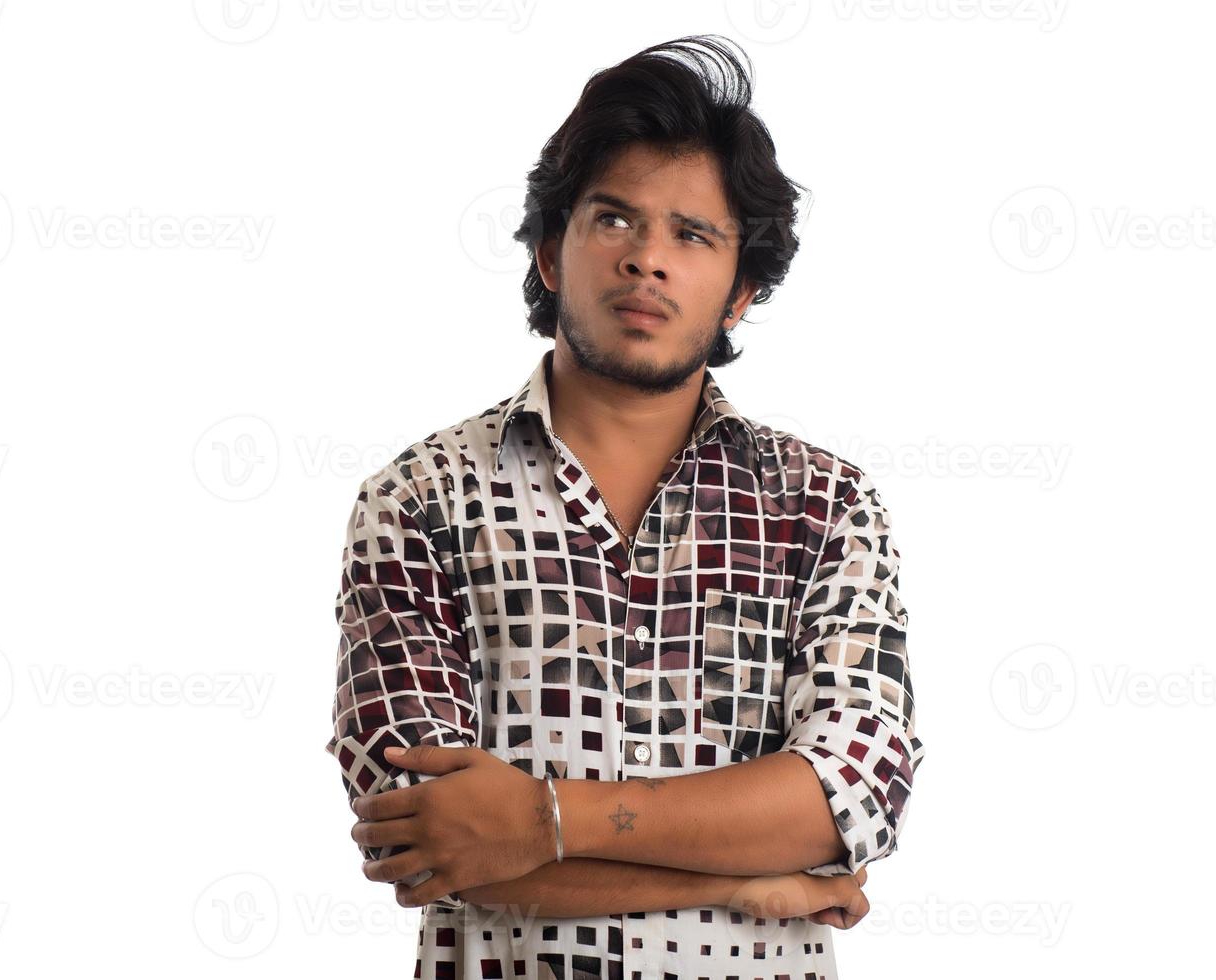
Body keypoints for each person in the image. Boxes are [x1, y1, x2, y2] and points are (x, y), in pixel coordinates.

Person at [326, 34, 925, 979]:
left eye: (693, 235)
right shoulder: (420, 498)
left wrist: (542, 822)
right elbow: (429, 842)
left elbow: (853, 794)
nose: (648, 259)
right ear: (550, 254)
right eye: (614, 219)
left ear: (742, 292)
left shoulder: (822, 504)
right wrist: (741, 875)